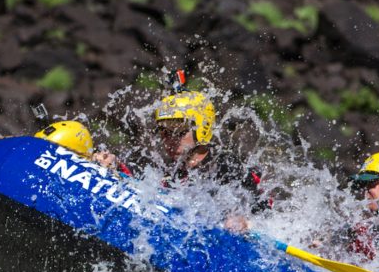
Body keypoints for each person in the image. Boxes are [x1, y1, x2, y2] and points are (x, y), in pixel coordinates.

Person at [92, 76, 270, 229]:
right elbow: (147, 195)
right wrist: (115, 168)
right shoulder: (174, 171)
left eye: (179, 131)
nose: (171, 139)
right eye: (164, 132)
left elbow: (263, 214)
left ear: (201, 128)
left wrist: (244, 222)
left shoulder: (226, 164)